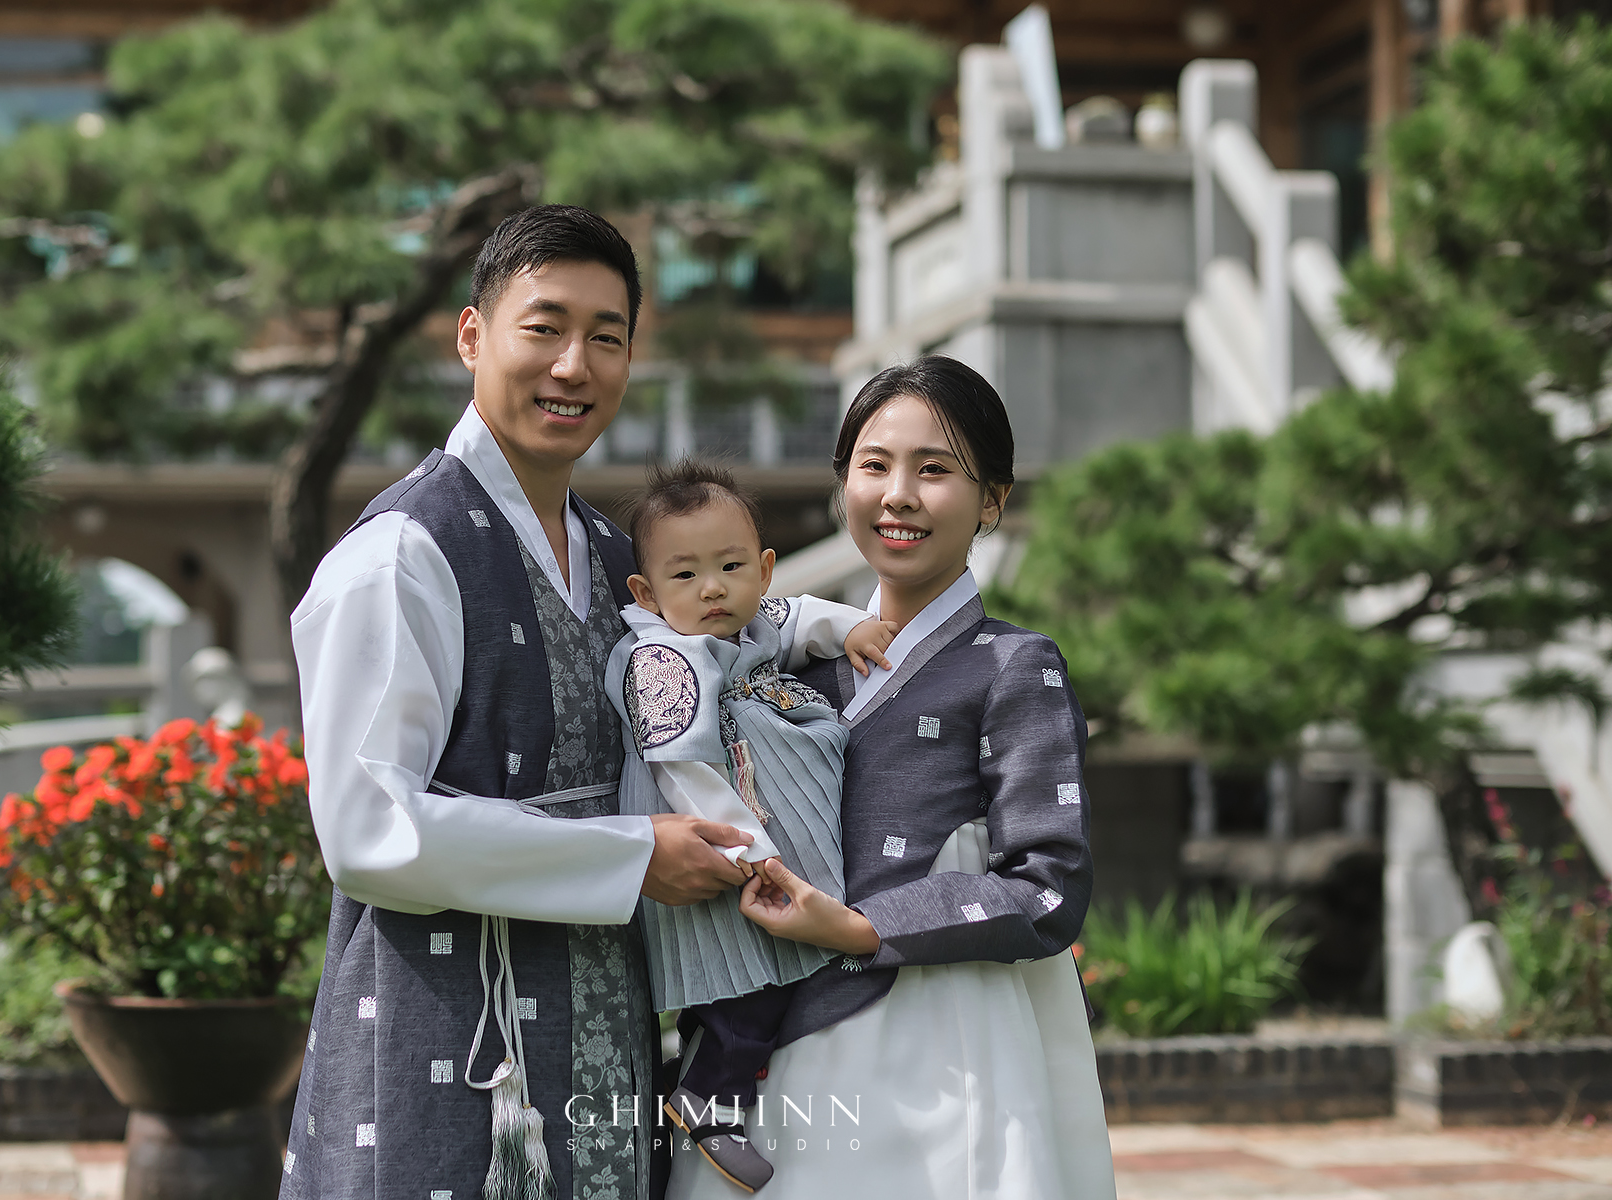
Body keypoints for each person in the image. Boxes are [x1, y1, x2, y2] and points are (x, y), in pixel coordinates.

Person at [281, 206, 756, 1200]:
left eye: (606, 337)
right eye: (544, 328)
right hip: (452, 1045)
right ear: (472, 336)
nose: (573, 366)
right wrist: (631, 857)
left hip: (607, 1040)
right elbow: (367, 831)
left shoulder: (623, 560)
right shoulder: (401, 553)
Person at [669, 356, 1118, 1200]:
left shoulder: (1015, 665)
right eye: (874, 466)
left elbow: (1049, 887)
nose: (898, 495)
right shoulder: (783, 664)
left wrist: (858, 927)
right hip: (761, 1046)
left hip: (941, 1044)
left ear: (992, 501)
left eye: (935, 470)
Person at [606, 460, 896, 1193]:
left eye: (731, 567)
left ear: (763, 570)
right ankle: (710, 1093)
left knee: (772, 969)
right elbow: (685, 768)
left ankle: (712, 1077)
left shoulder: (756, 621)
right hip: (712, 849)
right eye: (685, 575)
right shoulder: (661, 657)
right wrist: (748, 852)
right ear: (646, 593)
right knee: (744, 980)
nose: (712, 588)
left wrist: (856, 627)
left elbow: (802, 616)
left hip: (756, 838)